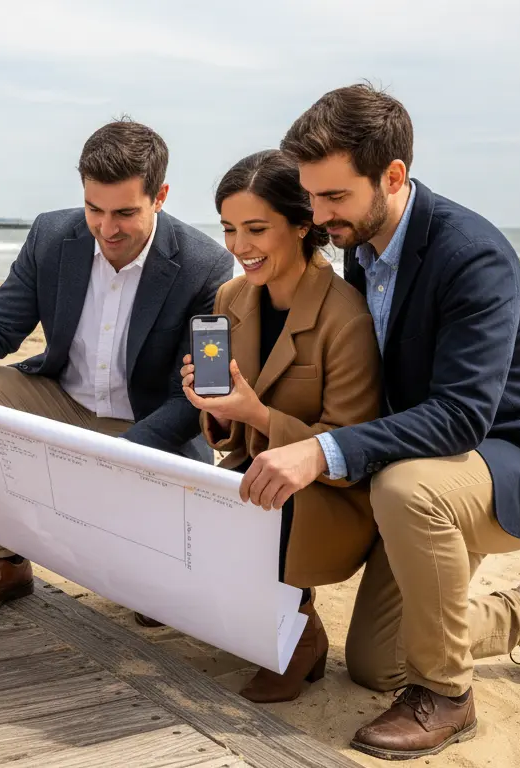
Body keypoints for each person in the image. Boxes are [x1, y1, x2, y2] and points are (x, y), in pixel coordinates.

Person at [249, 84, 520, 760]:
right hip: (420, 461)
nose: (317, 215)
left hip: (513, 456)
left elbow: (463, 416)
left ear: (394, 176)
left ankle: (448, 697)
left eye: (335, 197)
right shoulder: (360, 242)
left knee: (406, 492)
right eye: (310, 197)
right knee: (377, 665)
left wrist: (321, 452)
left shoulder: (473, 255)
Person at [0, 118, 234, 621]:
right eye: (95, 209)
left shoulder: (206, 264)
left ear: (159, 196)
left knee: (152, 603)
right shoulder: (52, 234)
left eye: (124, 213)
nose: (107, 228)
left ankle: (154, 572)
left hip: (150, 425)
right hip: (61, 400)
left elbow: (196, 395)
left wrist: (116, 454)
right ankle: (4, 563)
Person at [181, 150, 381, 702]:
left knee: (266, 497)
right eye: (228, 229)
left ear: (301, 225)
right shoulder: (231, 298)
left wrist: (255, 414)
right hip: (258, 471)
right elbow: (230, 433)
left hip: (332, 490)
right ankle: (296, 628)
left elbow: (349, 445)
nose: (239, 246)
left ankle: (298, 633)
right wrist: (216, 409)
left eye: (256, 229)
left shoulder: (347, 316)